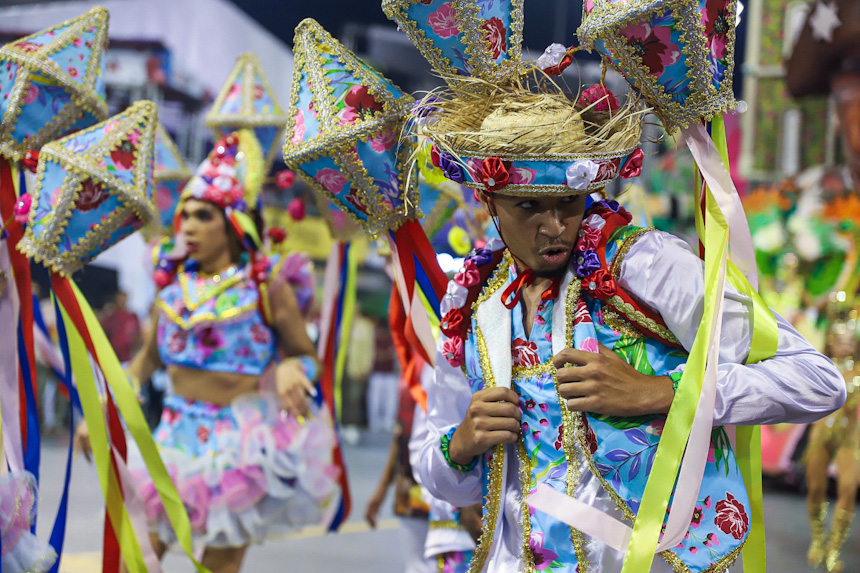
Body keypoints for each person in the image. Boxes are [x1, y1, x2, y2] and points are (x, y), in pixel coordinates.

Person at [409, 55, 846, 573]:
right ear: (490, 200)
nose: (554, 227)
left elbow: (817, 380)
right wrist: (461, 443)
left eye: (569, 202)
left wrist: (660, 393)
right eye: (529, 206)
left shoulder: (645, 265)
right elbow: (440, 474)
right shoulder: (476, 303)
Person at [75, 131, 339, 573]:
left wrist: (295, 368)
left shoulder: (265, 285)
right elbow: (146, 361)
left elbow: (305, 355)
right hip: (172, 441)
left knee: (219, 567)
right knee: (133, 561)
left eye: (202, 215)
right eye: (184, 216)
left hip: (238, 449)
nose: (189, 226)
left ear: (233, 221)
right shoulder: (172, 288)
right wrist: (105, 403)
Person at [803, 292, 859, 573]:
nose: (845, 343)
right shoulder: (820, 366)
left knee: (848, 488)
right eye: (840, 338)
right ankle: (817, 539)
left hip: (852, 437)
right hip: (820, 433)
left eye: (850, 339)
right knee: (815, 488)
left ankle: (834, 550)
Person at [99, 291, 141, 364]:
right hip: (113, 358)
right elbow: (102, 334)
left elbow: (138, 335)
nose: (121, 301)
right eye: (119, 299)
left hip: (129, 359)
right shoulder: (111, 317)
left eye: (123, 298)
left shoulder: (132, 317)